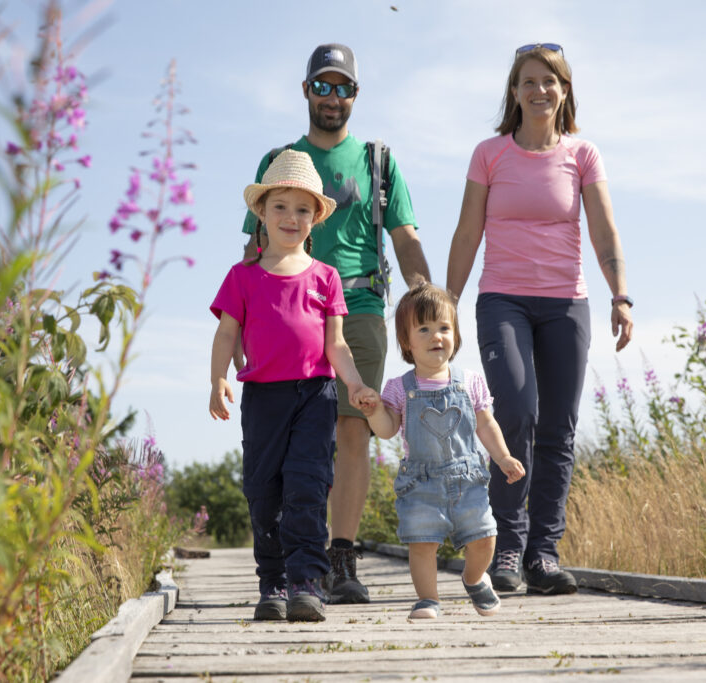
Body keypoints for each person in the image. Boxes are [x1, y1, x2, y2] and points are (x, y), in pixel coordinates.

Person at [241, 43, 431, 604]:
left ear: (355, 94)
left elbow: (406, 238)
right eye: (322, 86)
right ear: (306, 91)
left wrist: (424, 296)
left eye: (342, 87)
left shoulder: (377, 161)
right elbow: (253, 248)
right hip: (286, 312)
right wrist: (240, 325)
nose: (332, 96)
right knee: (290, 440)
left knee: (353, 428)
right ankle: (295, 558)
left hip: (360, 309)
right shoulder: (281, 162)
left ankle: (339, 557)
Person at [446, 43, 634, 595]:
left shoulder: (583, 155)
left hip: (565, 304)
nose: (539, 90)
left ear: (564, 90)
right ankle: (507, 544)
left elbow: (604, 231)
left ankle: (543, 555)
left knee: (558, 428)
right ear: (514, 91)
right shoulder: (489, 154)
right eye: (528, 81)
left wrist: (621, 295)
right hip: (502, 299)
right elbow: (467, 231)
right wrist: (448, 302)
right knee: (517, 411)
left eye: (550, 81)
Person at [210, 149, 372, 622]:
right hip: (263, 398)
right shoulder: (242, 277)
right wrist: (218, 378)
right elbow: (226, 333)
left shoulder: (326, 278)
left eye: (303, 209)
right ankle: (274, 583)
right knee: (264, 493)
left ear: (315, 218)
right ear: (261, 212)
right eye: (280, 206)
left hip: (315, 396)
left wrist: (356, 384)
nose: (290, 217)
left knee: (307, 486)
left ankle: (305, 582)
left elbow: (336, 344)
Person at [354, 282, 525, 619]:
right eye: (424, 329)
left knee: (485, 536)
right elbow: (387, 429)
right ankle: (428, 599)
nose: (436, 336)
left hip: (467, 478)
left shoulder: (469, 381)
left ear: (455, 334)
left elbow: (485, 424)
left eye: (444, 328)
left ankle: (474, 578)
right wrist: (374, 412)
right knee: (422, 544)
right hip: (420, 482)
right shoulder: (399, 388)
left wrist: (503, 456)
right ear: (406, 341)